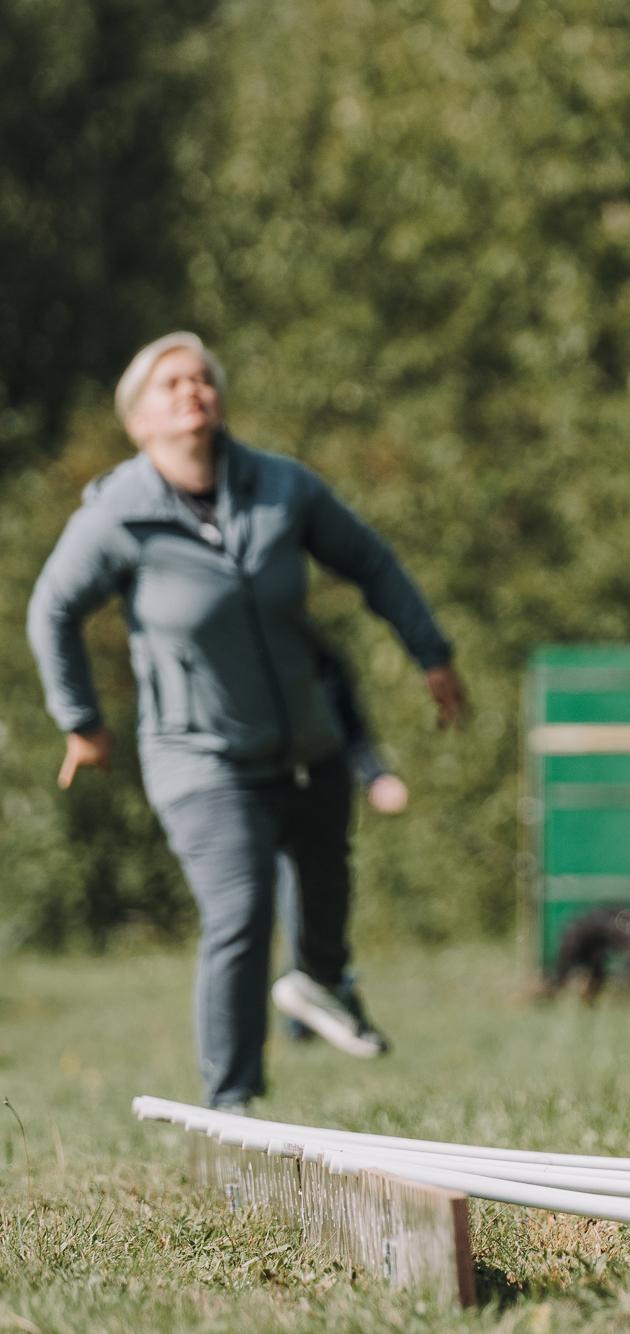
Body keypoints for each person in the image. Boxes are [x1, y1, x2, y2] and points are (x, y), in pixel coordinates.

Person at [26, 331, 465, 1109]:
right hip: (199, 755)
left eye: (202, 379)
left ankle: (325, 982)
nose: (192, 391)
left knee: (326, 888)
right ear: (139, 421)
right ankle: (232, 1106)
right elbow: (52, 608)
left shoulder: (281, 489)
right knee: (241, 909)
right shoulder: (118, 517)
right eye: (171, 384)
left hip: (309, 741)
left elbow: (370, 560)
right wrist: (80, 720)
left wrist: (430, 652)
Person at [275, 635, 410, 1046]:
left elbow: (351, 729)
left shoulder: (323, 657)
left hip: (315, 794)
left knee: (308, 898)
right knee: (251, 913)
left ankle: (309, 1010)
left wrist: (376, 775)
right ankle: (299, 1016)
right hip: (249, 792)